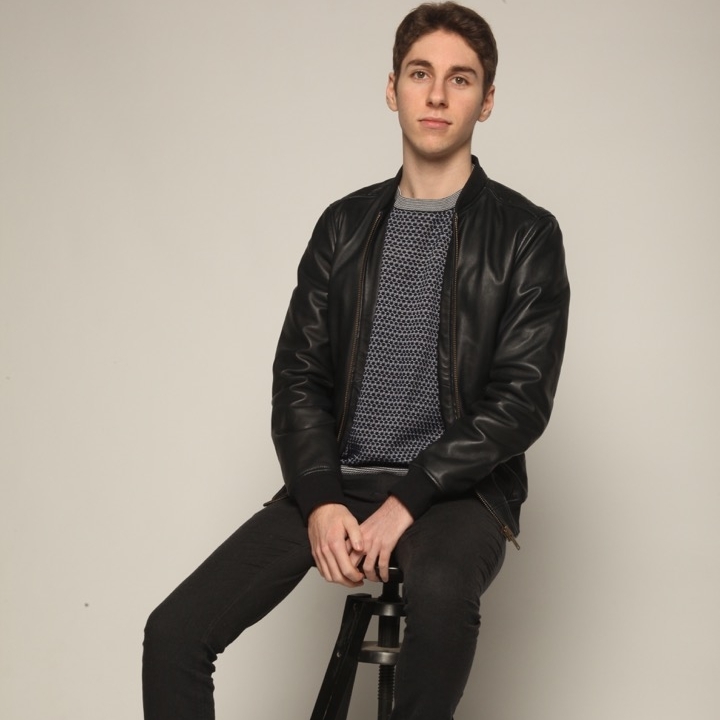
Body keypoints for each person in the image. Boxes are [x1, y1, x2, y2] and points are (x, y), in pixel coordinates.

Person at [142, 3, 570, 719]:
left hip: (456, 494)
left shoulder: (526, 234)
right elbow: (298, 377)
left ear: (487, 100)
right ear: (392, 89)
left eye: (461, 79)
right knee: (174, 634)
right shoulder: (343, 225)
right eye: (420, 74)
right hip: (337, 480)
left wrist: (410, 497)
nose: (438, 95)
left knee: (440, 594)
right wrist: (317, 498)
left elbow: (521, 400)